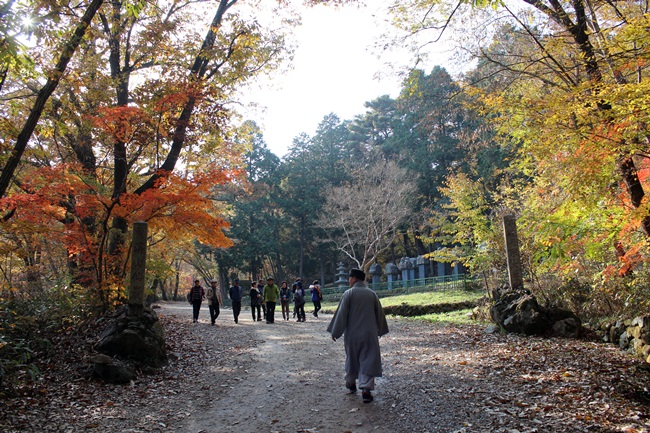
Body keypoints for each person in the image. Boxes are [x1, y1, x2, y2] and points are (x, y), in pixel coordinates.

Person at [327, 268, 389, 404]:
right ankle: (366, 390)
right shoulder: (372, 294)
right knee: (368, 359)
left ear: (354, 278)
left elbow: (342, 315)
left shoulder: (348, 294)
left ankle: (350, 383)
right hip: (369, 333)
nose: (349, 280)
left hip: (352, 334)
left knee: (352, 358)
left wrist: (336, 332)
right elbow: (380, 314)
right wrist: (381, 330)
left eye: (350, 278)